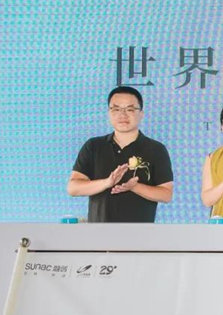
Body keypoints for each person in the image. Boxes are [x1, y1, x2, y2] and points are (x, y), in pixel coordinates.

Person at [68, 86, 173, 222]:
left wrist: (134, 187)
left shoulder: (156, 149)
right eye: (116, 109)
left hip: (141, 232)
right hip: (98, 231)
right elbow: (73, 188)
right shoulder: (93, 146)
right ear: (109, 112)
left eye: (130, 109)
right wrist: (107, 183)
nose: (123, 115)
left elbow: (166, 194)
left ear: (141, 114)